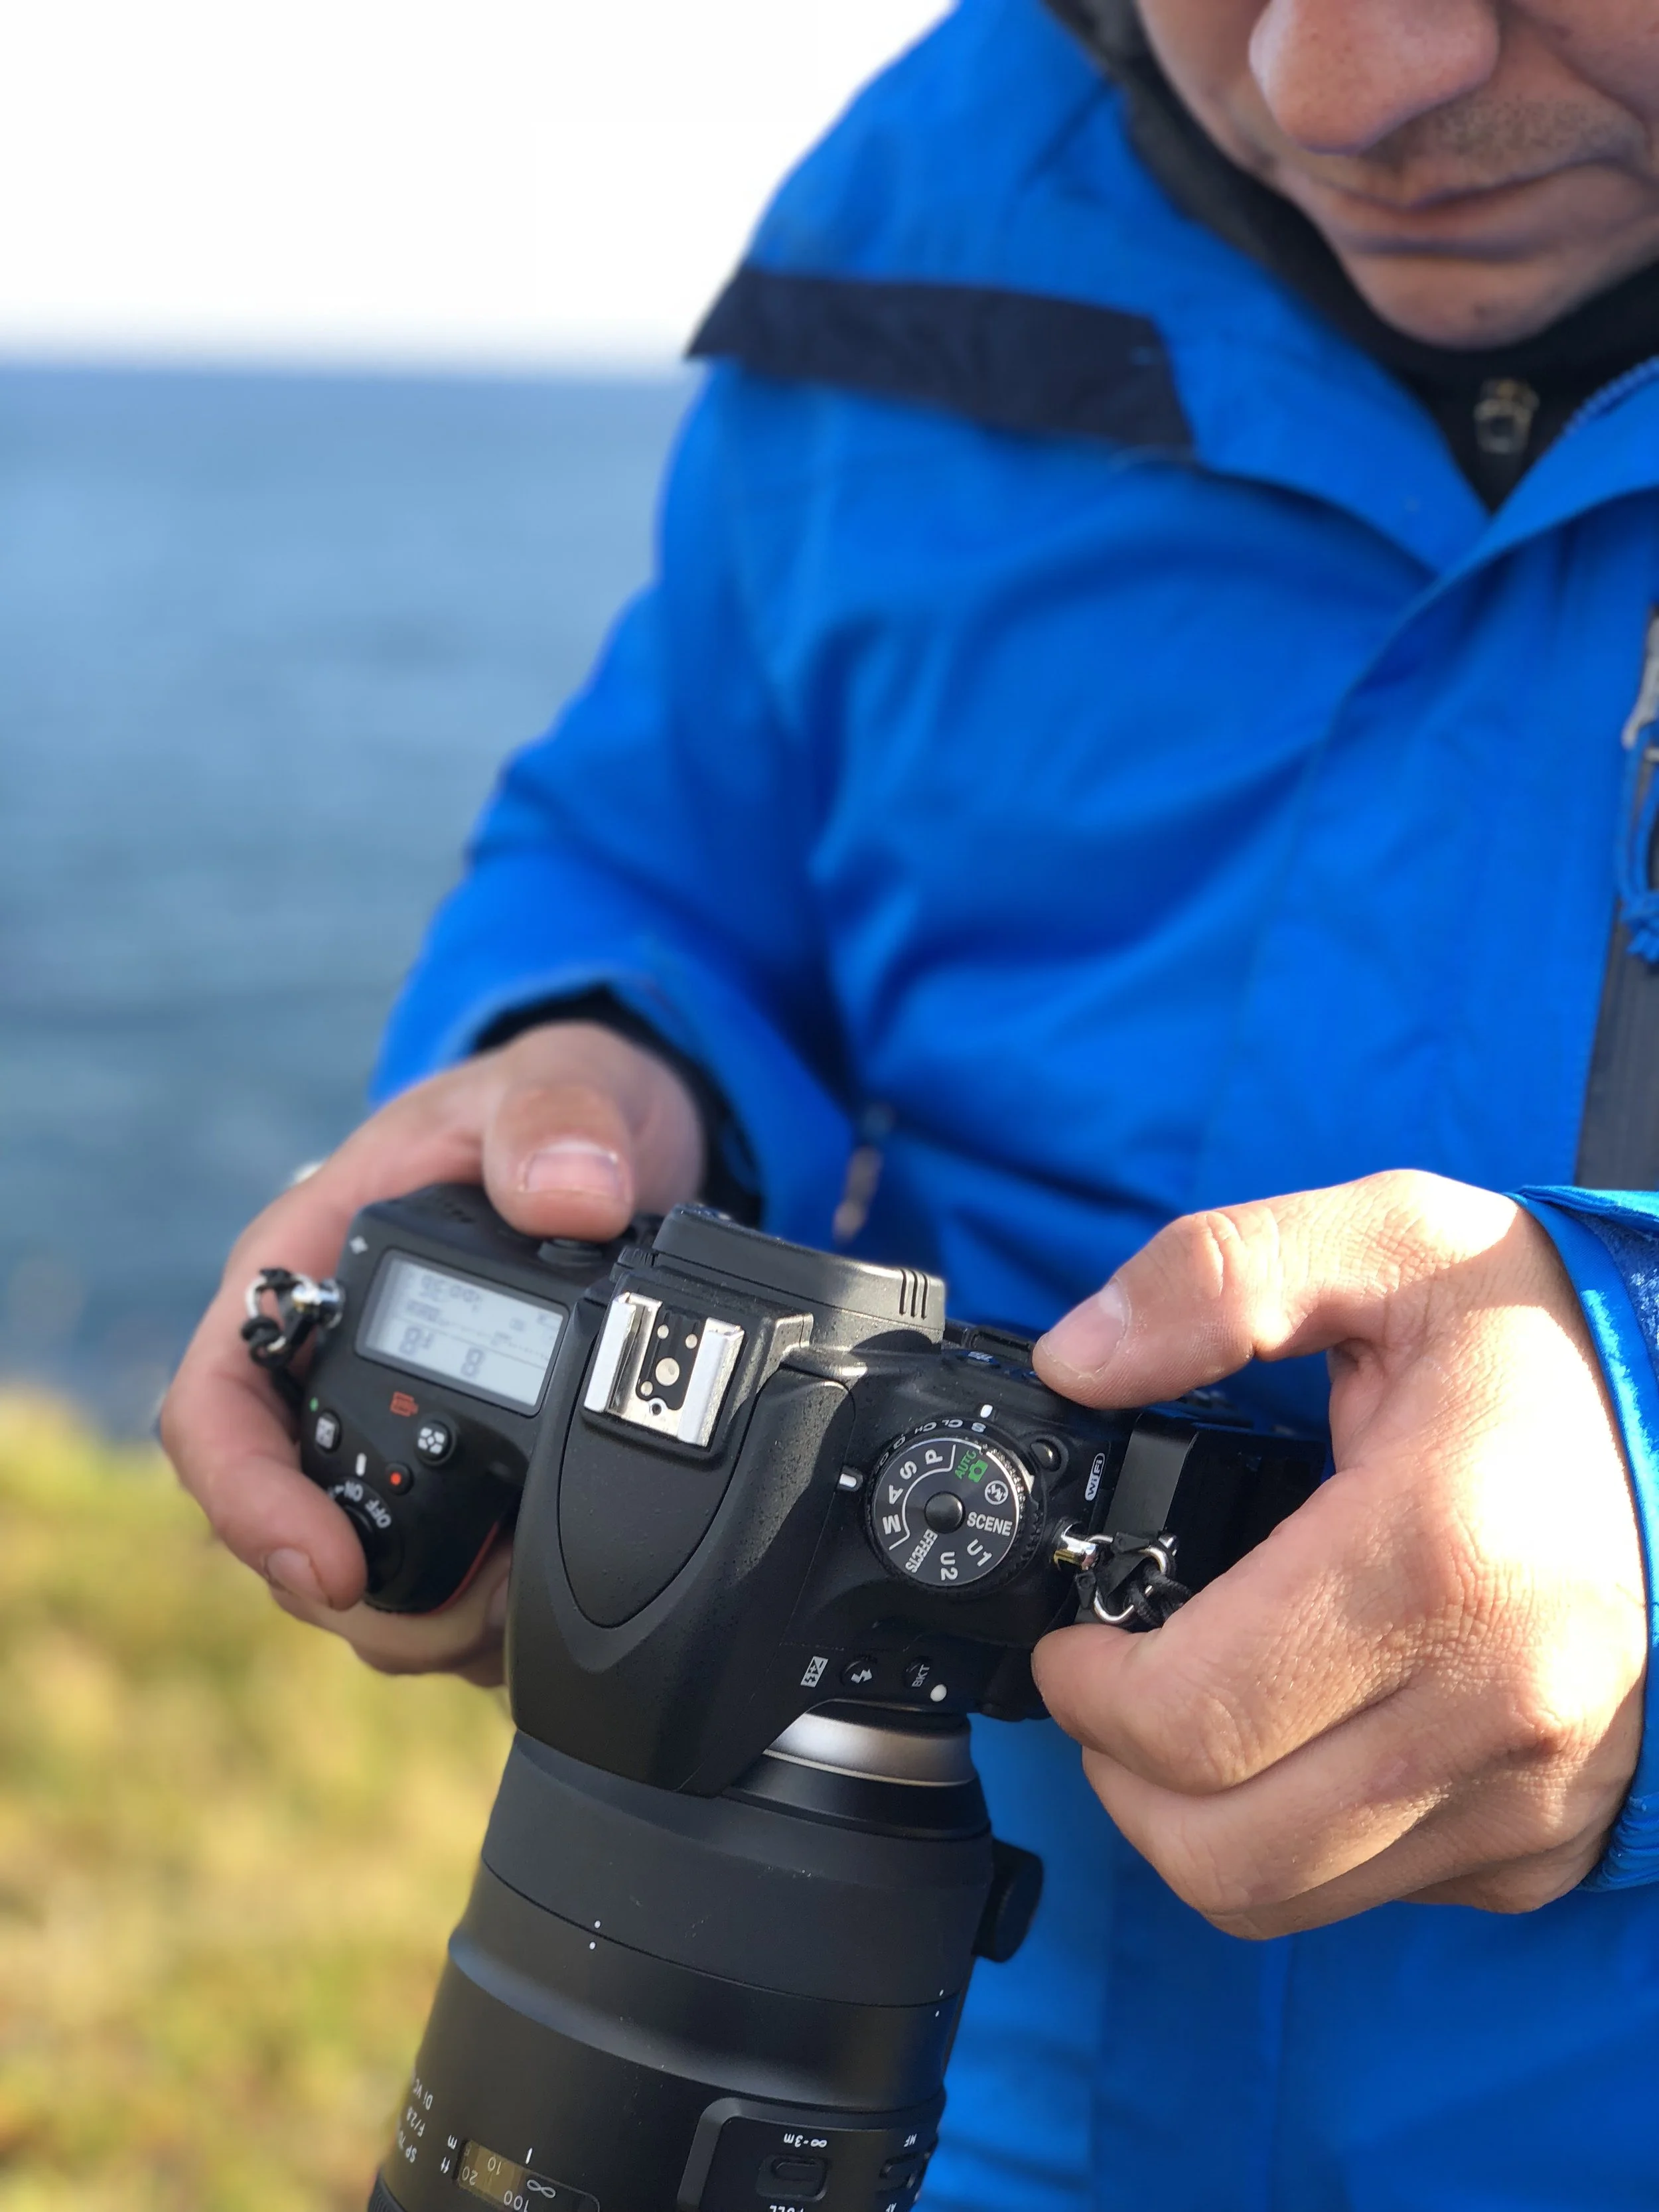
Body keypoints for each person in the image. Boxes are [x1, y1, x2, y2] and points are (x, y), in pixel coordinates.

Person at [163, 1, 1659, 2203]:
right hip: (891, 2080)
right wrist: (593, 1056)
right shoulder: (946, 171)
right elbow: (681, 827)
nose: (1345, 93)